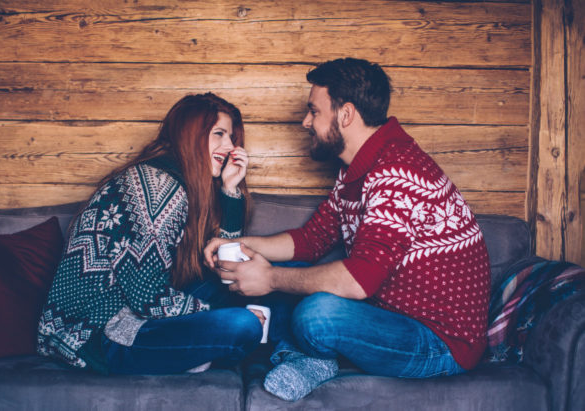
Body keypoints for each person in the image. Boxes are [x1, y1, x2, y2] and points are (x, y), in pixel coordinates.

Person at [204, 58, 491, 401]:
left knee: (317, 313)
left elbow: (358, 281)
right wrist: (241, 245)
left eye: (314, 111)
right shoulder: (358, 168)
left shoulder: (395, 173)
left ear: (346, 114)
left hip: (441, 341)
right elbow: (310, 241)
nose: (305, 121)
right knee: (293, 274)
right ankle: (303, 357)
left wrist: (269, 278)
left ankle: (314, 358)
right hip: (389, 316)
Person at [38, 93, 266, 375]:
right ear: (190, 135)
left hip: (138, 313)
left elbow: (226, 266)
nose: (230, 146)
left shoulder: (180, 183)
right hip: (100, 334)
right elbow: (147, 296)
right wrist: (212, 314)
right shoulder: (157, 186)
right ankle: (195, 353)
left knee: (248, 285)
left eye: (231, 137)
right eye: (219, 134)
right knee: (243, 325)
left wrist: (230, 190)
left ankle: (196, 352)